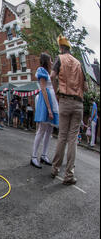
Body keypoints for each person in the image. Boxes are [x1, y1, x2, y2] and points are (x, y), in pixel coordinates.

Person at [50, 35, 88, 185]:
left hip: (64, 101)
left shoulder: (59, 59)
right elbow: (85, 87)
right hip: (78, 103)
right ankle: (69, 176)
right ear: (70, 49)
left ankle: (55, 169)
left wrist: (56, 93)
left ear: (61, 48)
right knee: (73, 140)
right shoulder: (79, 63)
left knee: (62, 137)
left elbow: (52, 76)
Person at [30, 53, 59, 169]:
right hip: (46, 103)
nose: (52, 62)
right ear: (46, 60)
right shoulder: (41, 70)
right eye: (50, 60)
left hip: (52, 102)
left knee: (49, 130)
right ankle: (33, 157)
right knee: (42, 130)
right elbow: (43, 89)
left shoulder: (48, 72)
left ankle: (44, 155)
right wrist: (49, 108)